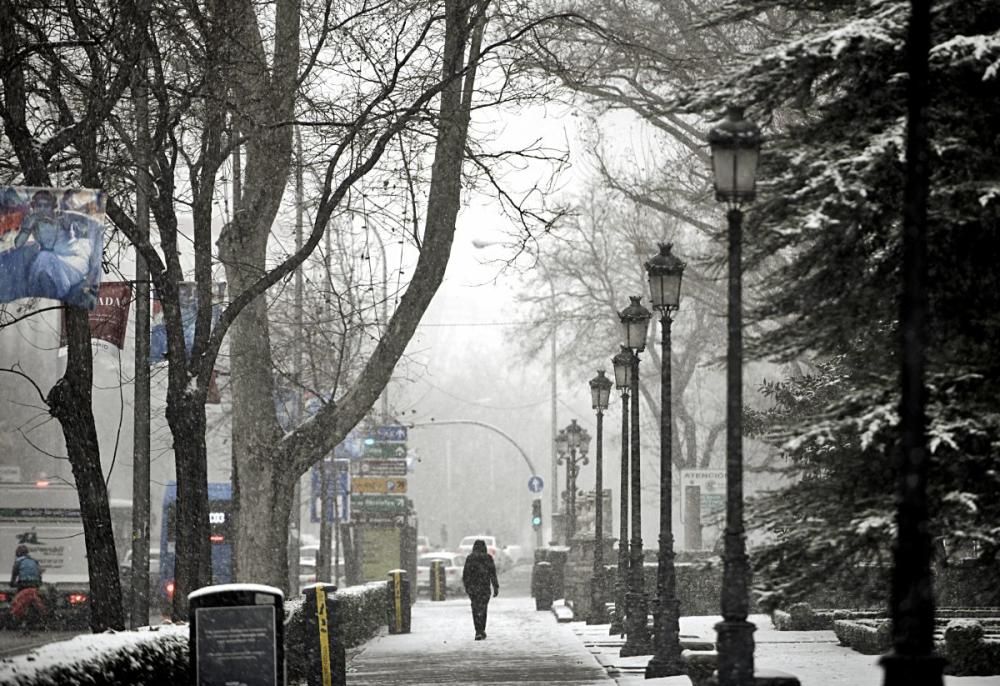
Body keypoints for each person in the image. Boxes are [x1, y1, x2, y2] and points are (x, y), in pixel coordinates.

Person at [461, 539, 499, 640]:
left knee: (475, 608)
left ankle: (477, 630)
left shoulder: (470, 558)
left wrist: (467, 587)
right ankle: (482, 629)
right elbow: (493, 574)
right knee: (483, 609)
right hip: (484, 587)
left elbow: (465, 575)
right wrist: (495, 587)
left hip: (473, 588)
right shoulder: (488, 558)